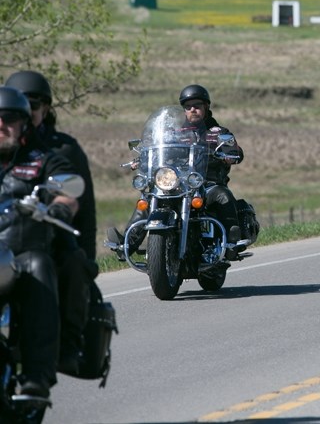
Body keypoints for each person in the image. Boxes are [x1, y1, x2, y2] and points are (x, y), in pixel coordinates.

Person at [5, 70, 97, 376]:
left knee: (70, 263)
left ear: (46, 108)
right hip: (5, 238)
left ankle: (67, 345)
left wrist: (85, 254)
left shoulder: (59, 150)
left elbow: (82, 206)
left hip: (49, 237)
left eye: (33, 105)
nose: (26, 112)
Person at [0, 86, 80, 398]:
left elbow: (68, 190)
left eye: (9, 118)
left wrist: (61, 204)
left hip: (22, 252)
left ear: (23, 124)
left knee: (39, 265)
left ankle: (37, 375)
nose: (1, 124)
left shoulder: (42, 159)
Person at [107, 84, 245, 258]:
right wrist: (142, 158)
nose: (192, 110)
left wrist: (230, 154)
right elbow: (160, 150)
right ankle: (126, 244)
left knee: (222, 195)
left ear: (206, 107)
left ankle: (232, 241)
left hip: (207, 185)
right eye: (188, 107)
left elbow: (236, 151)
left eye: (197, 106)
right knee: (148, 199)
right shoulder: (176, 133)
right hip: (178, 184)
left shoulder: (217, 133)